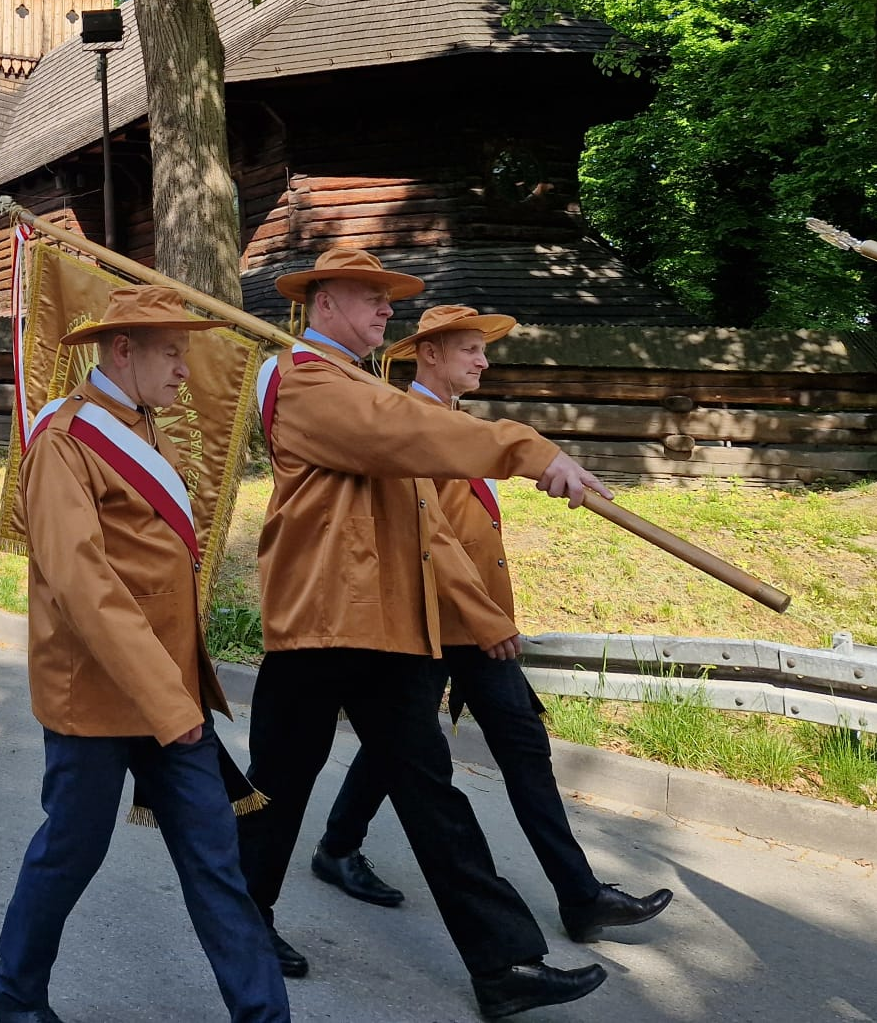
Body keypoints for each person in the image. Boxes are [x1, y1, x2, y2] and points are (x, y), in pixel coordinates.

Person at [235, 247, 612, 1020]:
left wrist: (475, 613)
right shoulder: (306, 381)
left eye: (390, 298)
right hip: (318, 624)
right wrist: (530, 450)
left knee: (433, 796)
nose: (387, 309)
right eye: (370, 296)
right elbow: (406, 429)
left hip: (385, 628)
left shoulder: (358, 384)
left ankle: (504, 965)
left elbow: (422, 517)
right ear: (323, 303)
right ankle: (242, 926)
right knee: (277, 787)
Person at [311, 304, 674, 943]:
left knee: (518, 748)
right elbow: (427, 539)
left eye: (483, 351)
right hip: (432, 622)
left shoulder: (461, 428)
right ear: (429, 354)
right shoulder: (402, 428)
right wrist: (487, 620)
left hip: (478, 624)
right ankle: (338, 848)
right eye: (470, 350)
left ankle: (580, 896)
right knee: (403, 744)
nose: (483, 361)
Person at [0, 286, 291, 1023]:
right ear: (123, 350)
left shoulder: (147, 428)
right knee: (70, 853)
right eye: (172, 352)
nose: (184, 368)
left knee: (216, 858)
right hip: (96, 698)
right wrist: (167, 702)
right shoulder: (65, 442)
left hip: (169, 693)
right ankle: (13, 1000)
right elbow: (84, 587)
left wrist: (173, 696)